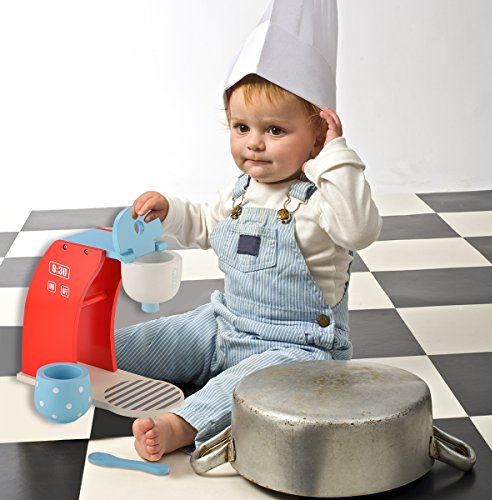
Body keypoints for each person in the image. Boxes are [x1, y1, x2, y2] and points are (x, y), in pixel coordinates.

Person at [114, 73, 382, 461]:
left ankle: (182, 424)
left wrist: (336, 158)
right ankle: (97, 357)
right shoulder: (240, 192)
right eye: (242, 127)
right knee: (162, 336)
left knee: (249, 385)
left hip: (298, 347)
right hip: (225, 324)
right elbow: (204, 224)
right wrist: (170, 212)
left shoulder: (323, 202)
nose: (254, 142)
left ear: (317, 139)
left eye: (275, 130)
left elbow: (359, 229)